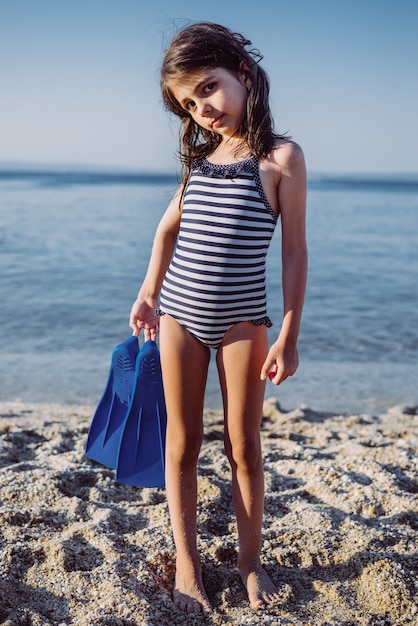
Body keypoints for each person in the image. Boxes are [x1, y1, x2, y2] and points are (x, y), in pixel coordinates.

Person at [129, 22, 307, 614]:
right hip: (179, 312)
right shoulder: (199, 161)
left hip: (243, 321)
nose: (202, 107)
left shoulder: (280, 158)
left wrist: (288, 330)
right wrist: (149, 290)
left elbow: (294, 250)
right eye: (188, 101)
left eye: (208, 88)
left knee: (244, 445)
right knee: (181, 445)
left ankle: (251, 566)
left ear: (245, 76)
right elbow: (166, 229)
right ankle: (187, 565)